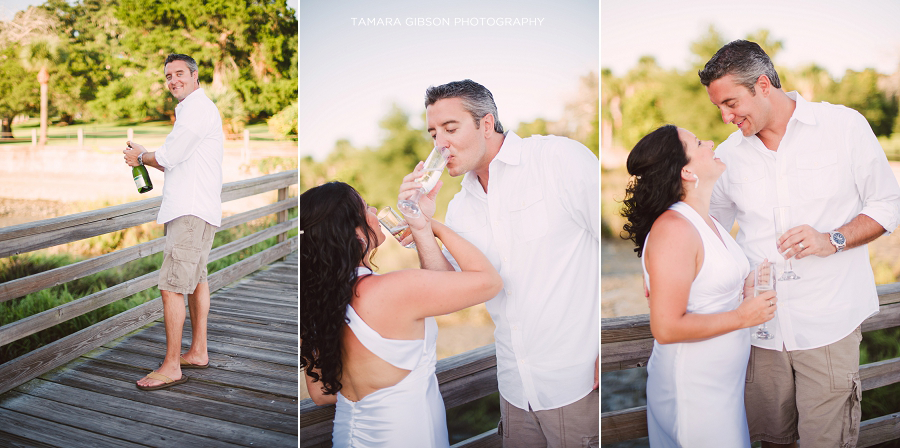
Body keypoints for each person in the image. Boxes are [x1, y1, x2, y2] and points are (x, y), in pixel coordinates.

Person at [700, 40, 900, 447]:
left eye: (731, 103)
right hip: (760, 334)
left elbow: (888, 204)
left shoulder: (844, 126)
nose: (725, 116)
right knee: (771, 441)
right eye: (718, 107)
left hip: (828, 323)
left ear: (762, 85)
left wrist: (834, 239)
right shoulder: (728, 155)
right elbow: (709, 232)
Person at [398, 79, 599, 447]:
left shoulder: (559, 159)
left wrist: (603, 347)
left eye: (450, 128)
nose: (439, 145)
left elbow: (619, 243)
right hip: (514, 386)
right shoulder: (460, 206)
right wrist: (423, 228)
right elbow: (448, 291)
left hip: (577, 381)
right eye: (432, 134)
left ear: (486, 124)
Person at [300, 182, 502, 447]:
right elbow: (489, 282)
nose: (374, 210)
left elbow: (321, 394)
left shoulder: (318, 303)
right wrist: (434, 226)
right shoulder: (391, 290)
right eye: (365, 207)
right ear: (353, 231)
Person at [621, 124, 776, 447]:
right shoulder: (674, 229)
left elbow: (709, 287)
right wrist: (743, 317)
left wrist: (746, 289)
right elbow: (665, 327)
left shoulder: (707, 221)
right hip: (693, 389)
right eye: (699, 143)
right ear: (687, 171)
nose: (711, 142)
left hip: (722, 385)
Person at [123, 53, 224, 391]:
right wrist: (147, 157)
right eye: (168, 76)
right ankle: (197, 351)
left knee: (171, 286)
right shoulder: (194, 111)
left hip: (190, 212)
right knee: (195, 280)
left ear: (195, 76)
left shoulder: (197, 110)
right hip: (197, 210)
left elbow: (167, 157)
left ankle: (171, 366)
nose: (173, 80)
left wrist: (139, 156)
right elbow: (173, 162)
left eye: (179, 73)